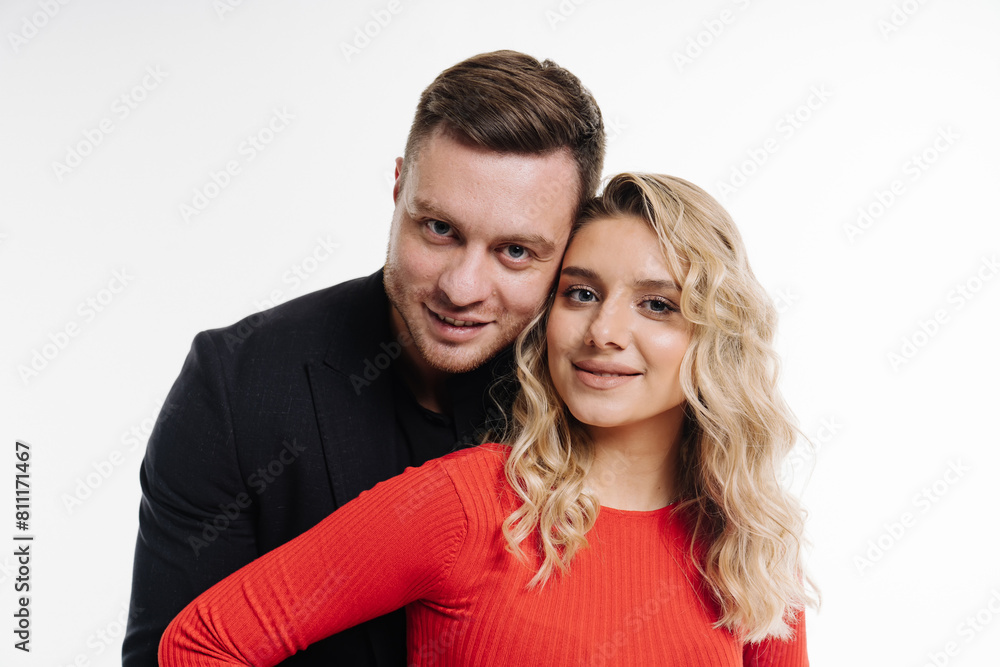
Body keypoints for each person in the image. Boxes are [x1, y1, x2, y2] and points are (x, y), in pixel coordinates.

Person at [158, 173, 819, 666]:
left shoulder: (748, 547)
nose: (605, 331)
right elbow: (202, 643)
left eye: (657, 304)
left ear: (716, 337)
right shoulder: (466, 504)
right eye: (581, 293)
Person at [123, 50, 605, 667]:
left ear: (572, 243)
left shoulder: (606, 393)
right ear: (399, 185)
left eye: (515, 251)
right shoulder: (235, 385)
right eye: (438, 229)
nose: (461, 288)